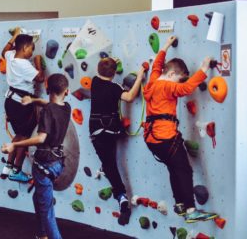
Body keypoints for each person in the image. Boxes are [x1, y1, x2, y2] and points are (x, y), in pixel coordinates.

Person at [143, 36, 218, 223]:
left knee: (173, 168)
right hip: (166, 137)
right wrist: (204, 68)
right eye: (177, 78)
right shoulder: (168, 86)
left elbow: (157, 66)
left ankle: (180, 205)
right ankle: (192, 210)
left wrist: (166, 45)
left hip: (152, 139)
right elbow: (186, 88)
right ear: (170, 75)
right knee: (184, 170)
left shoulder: (152, 82)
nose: (177, 83)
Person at [2, 73, 70, 239]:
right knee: (38, 197)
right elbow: (49, 104)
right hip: (57, 164)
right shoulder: (66, 108)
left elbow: (41, 138)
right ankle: (41, 235)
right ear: (66, 92)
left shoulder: (48, 111)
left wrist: (14, 145)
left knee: (47, 211)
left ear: (47, 89)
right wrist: (33, 100)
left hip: (44, 165)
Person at [89, 57, 145, 225]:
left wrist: (109, 63)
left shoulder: (94, 82)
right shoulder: (115, 87)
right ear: (114, 73)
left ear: (99, 71)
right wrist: (140, 77)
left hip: (97, 129)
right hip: (112, 130)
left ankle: (121, 196)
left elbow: (103, 72)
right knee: (110, 162)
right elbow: (129, 97)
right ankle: (121, 196)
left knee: (109, 163)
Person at [1, 28, 45, 182]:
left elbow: (4, 50)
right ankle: (16, 170)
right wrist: (38, 63)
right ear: (25, 47)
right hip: (22, 104)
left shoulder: (11, 55)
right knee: (24, 137)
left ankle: (7, 166)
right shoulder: (23, 64)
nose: (32, 52)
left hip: (10, 102)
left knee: (18, 135)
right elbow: (40, 78)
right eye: (32, 49)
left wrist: (15, 35)